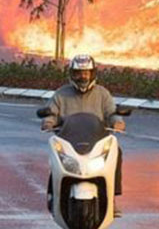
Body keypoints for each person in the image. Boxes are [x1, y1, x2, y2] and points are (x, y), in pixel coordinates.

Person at [41, 54, 126, 213]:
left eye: (86, 73)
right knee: (55, 157)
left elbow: (112, 112)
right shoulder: (61, 94)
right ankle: (54, 195)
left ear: (93, 73)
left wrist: (117, 122)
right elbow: (51, 112)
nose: (82, 77)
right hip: (68, 141)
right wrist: (48, 122)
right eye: (78, 73)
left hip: (96, 142)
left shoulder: (102, 94)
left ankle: (112, 198)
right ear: (71, 74)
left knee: (117, 152)